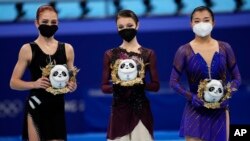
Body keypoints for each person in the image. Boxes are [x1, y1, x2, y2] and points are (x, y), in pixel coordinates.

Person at [169, 6, 241, 141]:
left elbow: (237, 78)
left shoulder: (225, 48)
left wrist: (228, 94)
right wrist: (191, 97)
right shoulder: (183, 51)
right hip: (195, 111)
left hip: (220, 110)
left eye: (206, 20)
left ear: (213, 22)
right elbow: (173, 82)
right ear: (191, 24)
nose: (201, 24)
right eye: (197, 21)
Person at [9, 5, 77, 141]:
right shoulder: (28, 49)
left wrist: (72, 86)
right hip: (36, 106)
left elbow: (72, 81)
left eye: (53, 22)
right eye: (45, 22)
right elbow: (13, 83)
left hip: (57, 107)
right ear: (36, 23)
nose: (49, 25)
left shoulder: (67, 49)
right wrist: (34, 84)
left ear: (58, 23)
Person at [101, 9, 160, 141]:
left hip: (141, 111)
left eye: (129, 26)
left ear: (137, 25)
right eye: (121, 27)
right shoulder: (110, 54)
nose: (125, 29)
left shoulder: (148, 54)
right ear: (117, 28)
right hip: (118, 111)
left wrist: (141, 84)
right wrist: (117, 86)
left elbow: (156, 86)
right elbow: (104, 87)